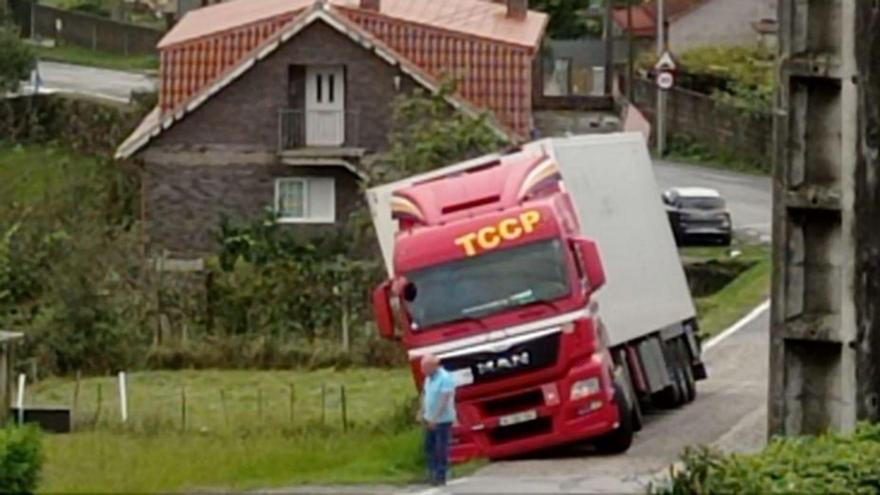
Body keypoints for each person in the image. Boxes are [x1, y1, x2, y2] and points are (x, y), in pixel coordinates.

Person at [419, 354, 457, 486]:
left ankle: (441, 475)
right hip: (429, 418)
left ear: (432, 366)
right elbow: (425, 395)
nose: (422, 370)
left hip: (442, 420)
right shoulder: (428, 379)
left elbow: (444, 400)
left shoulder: (445, 378)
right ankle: (432, 473)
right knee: (429, 447)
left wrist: (435, 418)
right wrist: (422, 411)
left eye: (424, 367)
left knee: (441, 448)